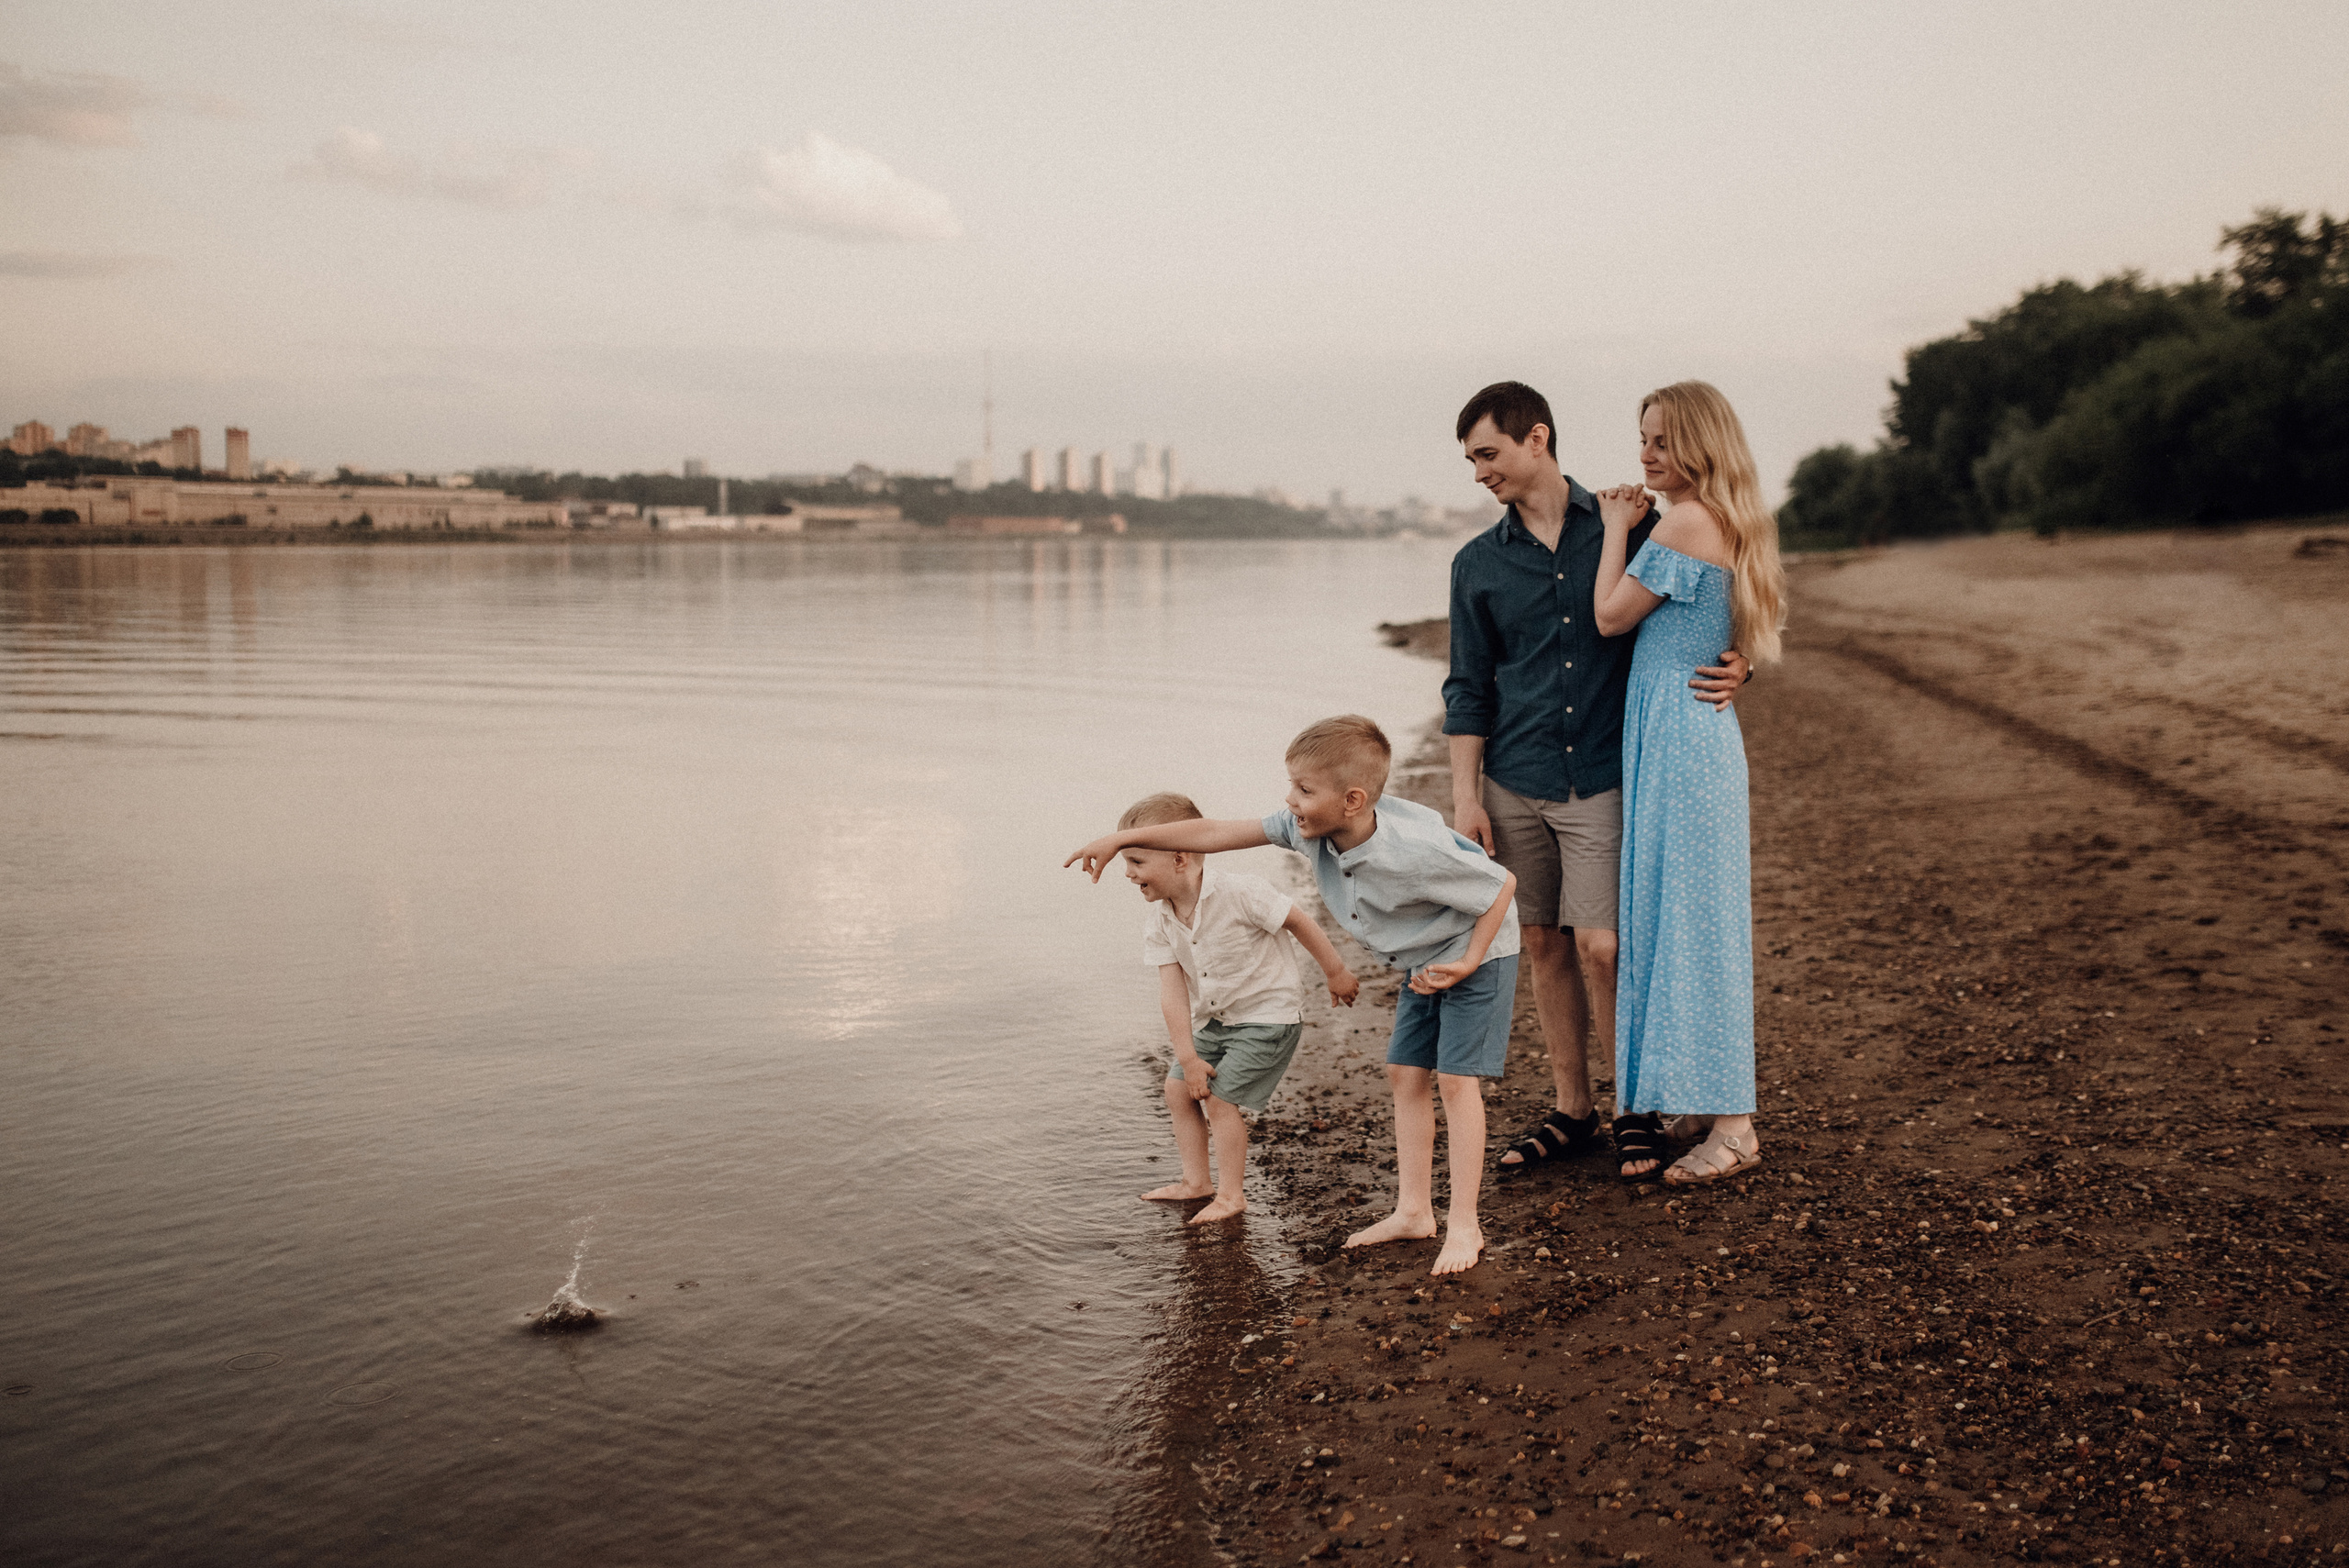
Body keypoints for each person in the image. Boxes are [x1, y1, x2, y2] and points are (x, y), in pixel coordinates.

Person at [1069, 717, 1518, 1275]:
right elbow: (1212, 832)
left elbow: (1500, 885)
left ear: (1352, 800)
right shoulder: (1308, 828)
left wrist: (1470, 960)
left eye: (1304, 790)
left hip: (1478, 948)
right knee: (1406, 1075)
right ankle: (1413, 1212)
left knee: (1454, 1081)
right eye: (1292, 787)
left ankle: (1465, 1225)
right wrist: (1121, 840)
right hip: (1424, 956)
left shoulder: (1409, 847)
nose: (1290, 800)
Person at [1442, 381, 1752, 1182]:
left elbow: (1724, 581)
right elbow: (1467, 685)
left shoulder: (1638, 520)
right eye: (1472, 459)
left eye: (1488, 454)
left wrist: (1739, 658)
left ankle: (1635, 1106)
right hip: (1516, 773)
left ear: (1535, 438)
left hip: (1613, 769)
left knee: (1606, 947)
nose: (1479, 473)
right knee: (1542, 942)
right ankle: (1574, 1107)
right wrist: (1466, 794)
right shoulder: (1476, 563)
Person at [1591, 380, 1787, 1184]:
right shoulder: (1733, 518)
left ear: (1700, 446)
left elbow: (1610, 615)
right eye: (1642, 437)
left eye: (1663, 441)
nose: (1645, 454)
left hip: (1677, 731)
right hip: (1691, 730)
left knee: (1693, 921)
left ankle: (1734, 1125)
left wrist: (1612, 528)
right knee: (1692, 914)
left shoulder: (1689, 519)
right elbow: (1737, 629)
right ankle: (1710, 1098)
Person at [1111, 791, 1362, 1224]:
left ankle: (1231, 1196)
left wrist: (1335, 971)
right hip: (1217, 1020)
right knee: (1177, 1089)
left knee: (1221, 1099)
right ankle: (1197, 1182)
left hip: (1268, 1017)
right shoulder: (1160, 918)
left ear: (1181, 858)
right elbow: (1171, 992)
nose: (1128, 874)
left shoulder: (1239, 892)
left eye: (1136, 861)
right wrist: (1187, 1056)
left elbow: (1298, 919)